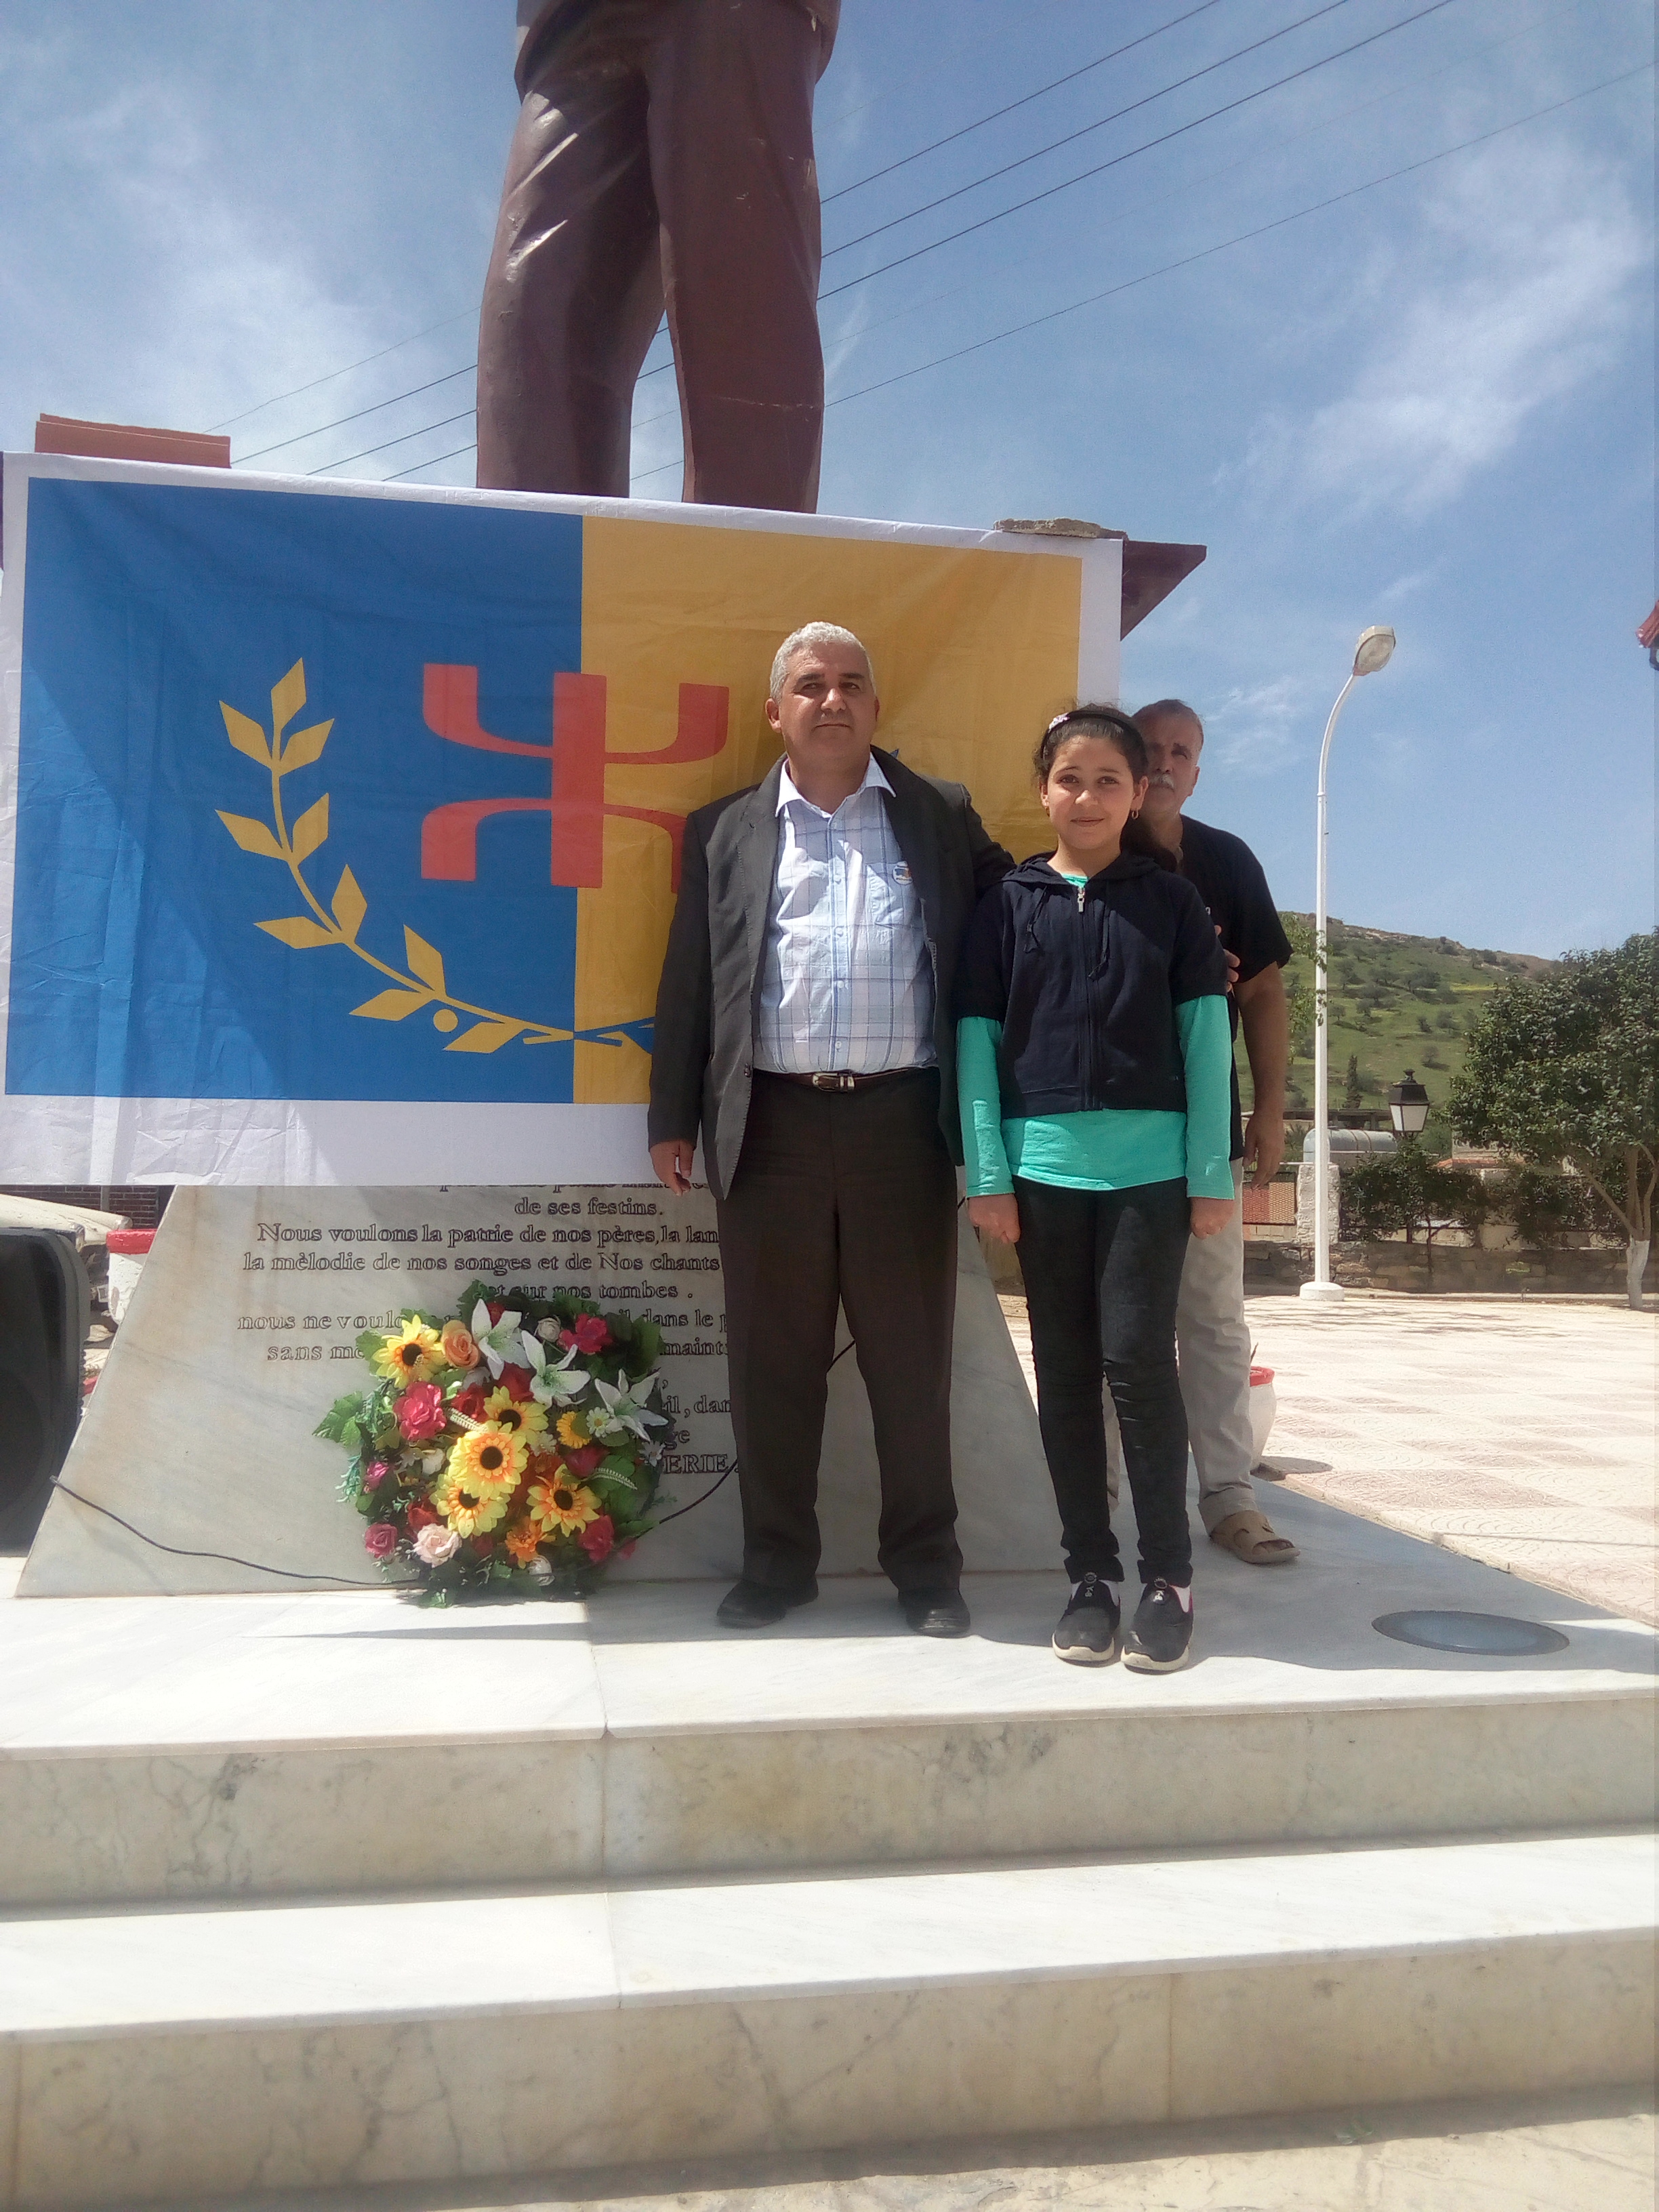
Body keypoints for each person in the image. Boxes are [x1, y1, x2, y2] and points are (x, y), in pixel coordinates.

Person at [648, 622, 1014, 1634]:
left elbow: (1017, 918)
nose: (833, 701)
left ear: (876, 706)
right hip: (769, 1123)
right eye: (810, 686)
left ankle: (928, 1569)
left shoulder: (938, 815)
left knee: (911, 1359)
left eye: (852, 684)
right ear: (777, 712)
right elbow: (692, 979)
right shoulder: (723, 829)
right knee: (771, 1360)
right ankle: (777, 1564)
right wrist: (672, 1111)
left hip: (903, 1118)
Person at [958, 707, 1234, 1673]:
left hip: (1150, 1176)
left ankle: (1168, 1579)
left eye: (1109, 780)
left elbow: (1206, 1041)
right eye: (1070, 779)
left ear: (1138, 792)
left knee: (1137, 1364)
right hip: (1041, 1177)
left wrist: (1211, 1176)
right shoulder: (1006, 906)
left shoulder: (1171, 904)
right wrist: (988, 1176)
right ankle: (1091, 1578)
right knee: (1066, 1376)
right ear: (1044, 789)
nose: (1087, 797)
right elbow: (977, 1044)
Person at [478, 1, 837, 510]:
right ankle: (535, 581)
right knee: (531, 312)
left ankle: (747, 579)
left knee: (739, 274)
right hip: (561, 21)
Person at [1111, 697, 1298, 1566]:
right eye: (1148, 748)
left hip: (1206, 1136)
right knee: (1111, 1318)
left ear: (1198, 768)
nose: (1163, 762)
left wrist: (1268, 1108)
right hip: (1105, 1131)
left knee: (1215, 1322)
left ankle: (1229, 1496)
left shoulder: (1227, 861)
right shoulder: (1093, 853)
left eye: (1180, 751)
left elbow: (1262, 990)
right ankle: (1102, 1500)